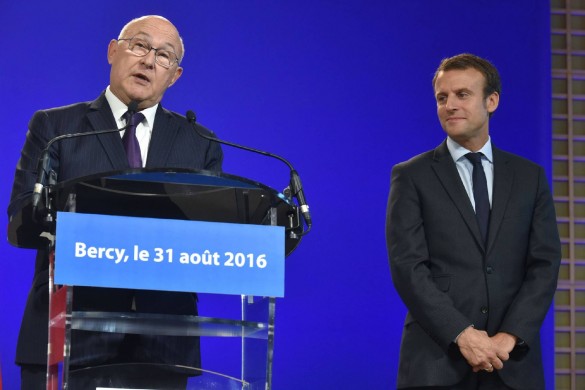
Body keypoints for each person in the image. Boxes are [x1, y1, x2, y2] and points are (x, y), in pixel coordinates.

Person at [8, 15, 223, 389]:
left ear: (175, 75)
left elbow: (208, 238)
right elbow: (23, 221)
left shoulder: (199, 143)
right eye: (139, 45)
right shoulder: (56, 128)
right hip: (66, 334)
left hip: (163, 344)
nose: (148, 60)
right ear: (113, 51)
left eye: (164, 56)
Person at [386, 53, 561, 389]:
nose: (450, 104)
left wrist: (508, 338)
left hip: (513, 363)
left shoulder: (530, 177)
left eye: (462, 94)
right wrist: (462, 335)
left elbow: (545, 263)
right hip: (437, 361)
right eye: (442, 97)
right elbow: (408, 266)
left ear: (491, 101)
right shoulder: (411, 175)